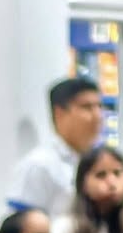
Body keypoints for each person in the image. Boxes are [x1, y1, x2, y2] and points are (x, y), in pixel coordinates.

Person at [7, 76, 104, 218]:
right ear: (60, 114)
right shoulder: (39, 165)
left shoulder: (100, 163)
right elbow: (19, 226)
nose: (98, 116)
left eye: (99, 107)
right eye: (87, 107)